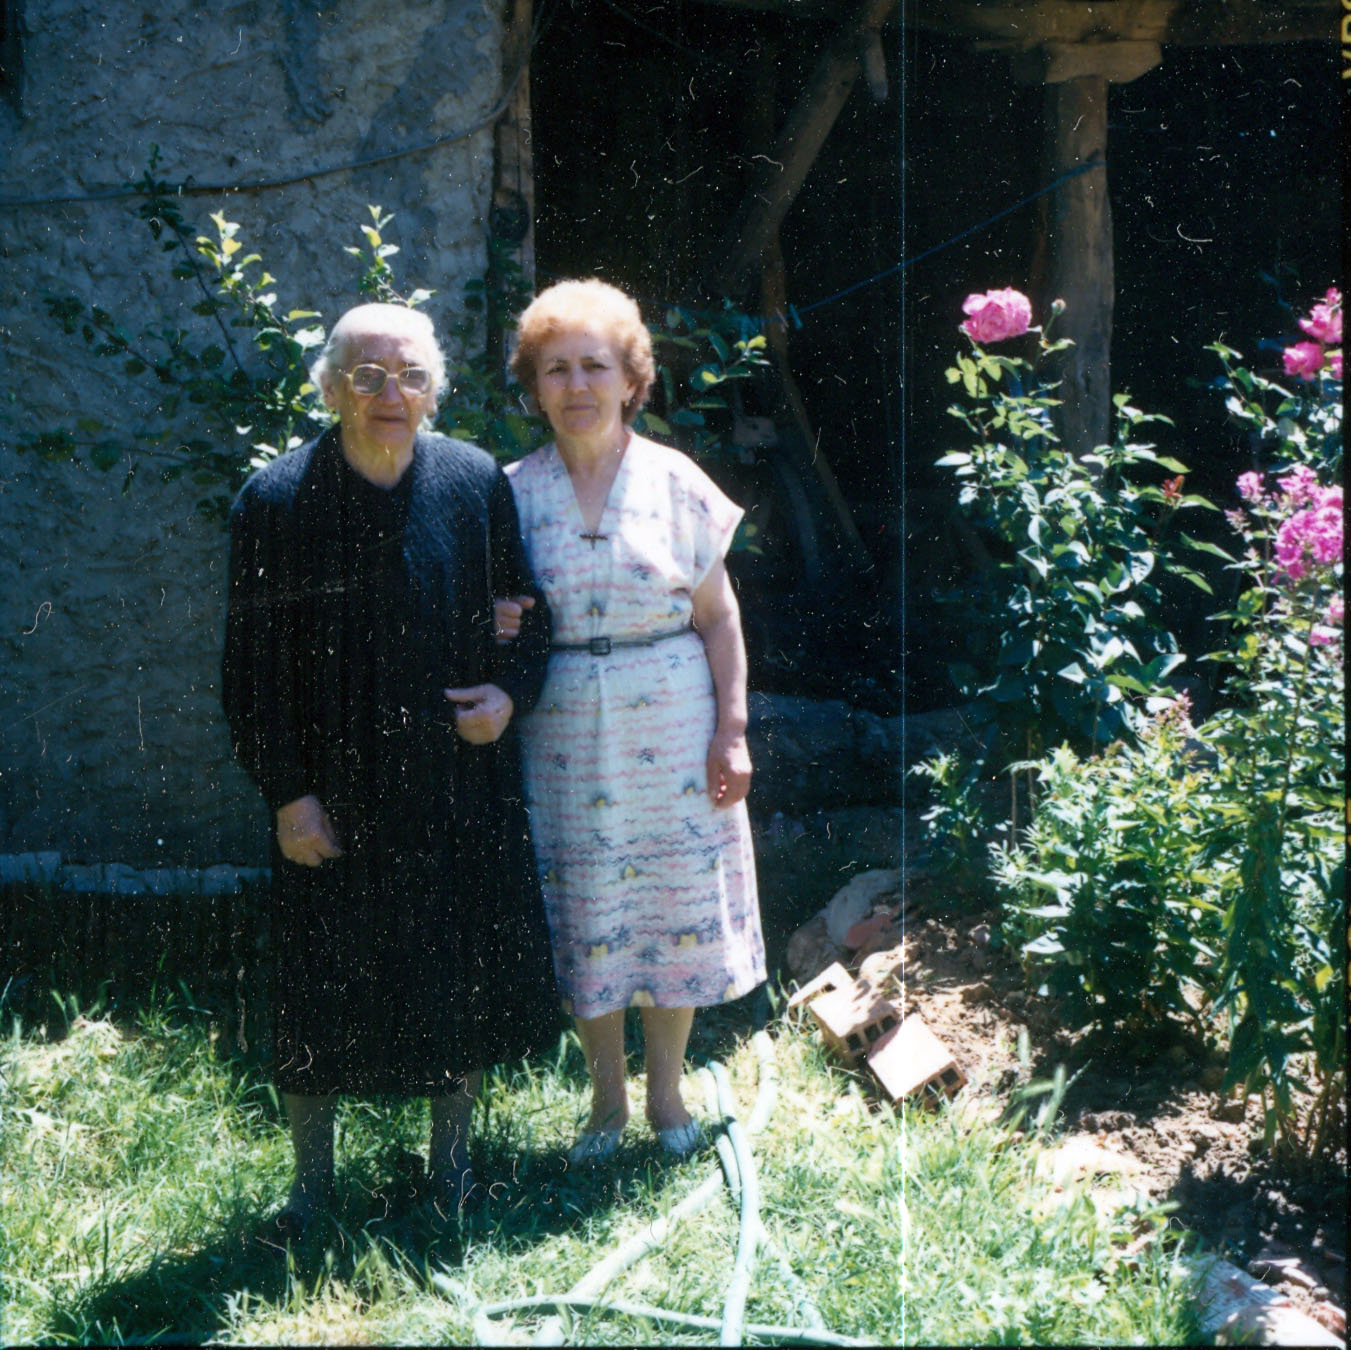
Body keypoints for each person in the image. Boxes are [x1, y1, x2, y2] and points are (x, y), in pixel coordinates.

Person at [222, 302, 558, 1233]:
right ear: (330, 387)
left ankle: (450, 1168)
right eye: (366, 376)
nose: (389, 394)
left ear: (433, 389)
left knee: (456, 976)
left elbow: (527, 611)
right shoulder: (276, 500)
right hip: (334, 793)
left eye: (410, 376)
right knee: (317, 987)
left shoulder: (472, 480)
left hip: (453, 782)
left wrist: (507, 697)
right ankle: (310, 1187)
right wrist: (288, 796)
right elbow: (249, 672)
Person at [498, 278, 766, 1164]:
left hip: (673, 727)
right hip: (561, 735)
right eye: (556, 369)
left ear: (629, 380)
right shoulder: (506, 495)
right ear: (534, 387)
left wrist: (731, 731)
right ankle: (605, 1105)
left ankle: (666, 1096)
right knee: (589, 911)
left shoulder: (675, 480)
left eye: (594, 366)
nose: (576, 385)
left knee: (670, 902)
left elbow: (718, 618)